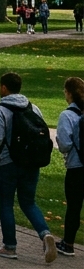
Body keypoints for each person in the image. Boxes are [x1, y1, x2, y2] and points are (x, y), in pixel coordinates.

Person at [0, 72, 57, 261]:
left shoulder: (0, 110)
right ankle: (45, 234)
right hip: (31, 162)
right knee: (28, 202)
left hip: (8, 163)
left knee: (6, 204)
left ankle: (10, 246)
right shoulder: (33, 108)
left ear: (4, 87)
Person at [57, 76, 83, 257]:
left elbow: (65, 144)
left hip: (76, 166)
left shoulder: (67, 115)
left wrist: (59, 142)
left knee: (74, 206)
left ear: (68, 93)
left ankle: (68, 243)